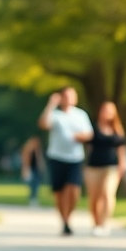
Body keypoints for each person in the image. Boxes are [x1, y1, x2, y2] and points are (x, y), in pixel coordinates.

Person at [38, 87, 94, 236]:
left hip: (75, 158)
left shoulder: (80, 115)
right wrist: (51, 104)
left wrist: (79, 137)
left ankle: (68, 218)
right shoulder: (55, 115)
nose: (68, 99)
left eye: (71, 96)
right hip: (57, 157)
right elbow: (43, 124)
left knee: (74, 190)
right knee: (59, 192)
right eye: (66, 96)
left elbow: (89, 134)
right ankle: (64, 221)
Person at [84, 101, 126, 236]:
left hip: (111, 167)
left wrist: (123, 163)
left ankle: (105, 222)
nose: (107, 113)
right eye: (104, 110)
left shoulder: (117, 130)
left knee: (108, 194)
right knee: (94, 198)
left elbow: (121, 148)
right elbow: (88, 147)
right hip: (93, 167)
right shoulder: (92, 128)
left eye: (110, 111)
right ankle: (96, 223)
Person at [19, 135, 45, 207]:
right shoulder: (28, 150)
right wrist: (25, 169)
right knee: (32, 185)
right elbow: (25, 161)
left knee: (36, 185)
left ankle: (34, 198)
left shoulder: (37, 150)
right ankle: (32, 198)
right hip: (31, 169)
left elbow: (40, 161)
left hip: (36, 170)